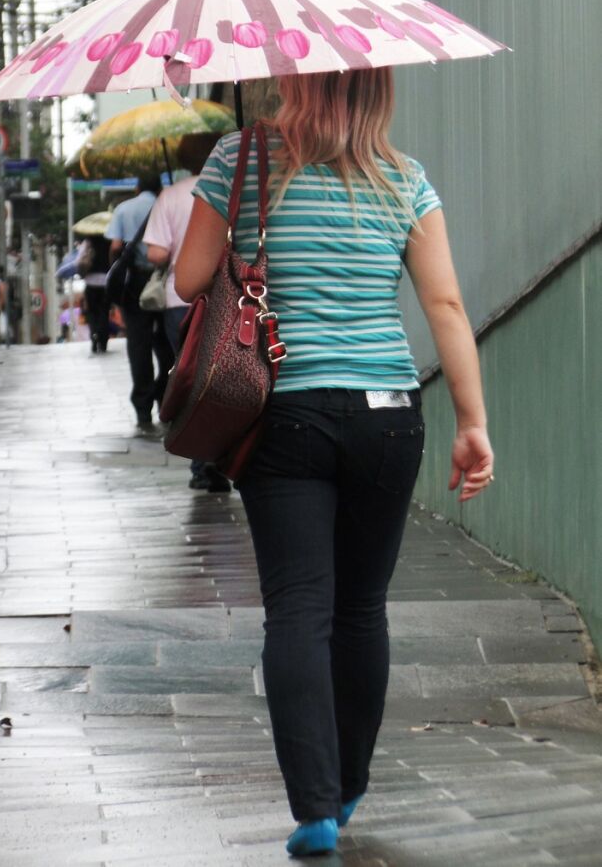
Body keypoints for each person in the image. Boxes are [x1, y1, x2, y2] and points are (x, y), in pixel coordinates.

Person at [175, 68, 494, 857]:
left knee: (298, 609)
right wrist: (473, 421)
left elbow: (186, 279)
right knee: (362, 609)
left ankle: (315, 807)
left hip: (284, 414)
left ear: (295, 78)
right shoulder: (405, 179)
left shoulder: (239, 159)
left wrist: (249, 246)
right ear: (377, 89)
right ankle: (350, 783)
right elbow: (445, 305)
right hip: (389, 415)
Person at [144, 134, 230, 491]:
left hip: (181, 302)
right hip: (228, 298)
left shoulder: (171, 194)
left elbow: (157, 254)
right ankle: (225, 458)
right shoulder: (233, 185)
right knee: (228, 379)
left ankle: (201, 461)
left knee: (192, 378)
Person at [105, 176, 174, 432]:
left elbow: (114, 246)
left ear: (137, 188)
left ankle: (142, 406)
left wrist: (120, 261)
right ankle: (165, 395)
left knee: (138, 344)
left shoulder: (124, 209)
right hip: (163, 279)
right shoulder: (166, 205)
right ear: (159, 188)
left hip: (135, 282)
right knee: (167, 343)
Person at [77, 235, 111, 353]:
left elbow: (79, 260)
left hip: (90, 282)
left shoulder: (88, 242)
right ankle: (103, 340)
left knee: (91, 312)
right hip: (106, 282)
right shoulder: (110, 241)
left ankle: (94, 334)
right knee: (104, 311)